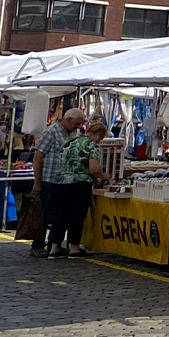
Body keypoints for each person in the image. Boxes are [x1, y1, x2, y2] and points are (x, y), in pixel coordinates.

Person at [42, 110, 105, 258]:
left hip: (61, 183)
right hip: (80, 184)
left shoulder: (69, 142)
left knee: (61, 215)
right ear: (98, 135)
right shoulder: (91, 145)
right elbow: (94, 169)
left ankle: (54, 247)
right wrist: (103, 176)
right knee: (76, 215)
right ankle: (74, 247)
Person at [27, 107, 81, 258]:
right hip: (49, 180)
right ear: (68, 120)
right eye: (77, 124)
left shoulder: (73, 133)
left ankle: (54, 244)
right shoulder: (51, 132)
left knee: (60, 215)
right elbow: (38, 157)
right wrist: (37, 182)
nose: (78, 127)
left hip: (65, 182)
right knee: (45, 215)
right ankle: (37, 245)